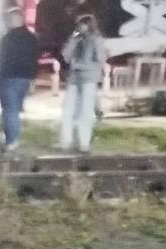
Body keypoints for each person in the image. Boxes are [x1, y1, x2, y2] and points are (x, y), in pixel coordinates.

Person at [58, 14, 107, 154]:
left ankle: (84, 143)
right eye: (78, 25)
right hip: (74, 79)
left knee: (85, 112)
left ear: (89, 25)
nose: (79, 27)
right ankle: (65, 141)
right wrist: (72, 40)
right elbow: (66, 56)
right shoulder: (77, 39)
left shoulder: (96, 40)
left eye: (82, 24)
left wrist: (82, 65)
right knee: (68, 110)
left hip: (88, 79)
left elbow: (100, 59)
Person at [0, 7, 39, 152]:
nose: (7, 22)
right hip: (25, 78)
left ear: (13, 20)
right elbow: (35, 59)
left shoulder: (6, 39)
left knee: (9, 110)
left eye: (9, 20)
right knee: (13, 109)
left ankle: (12, 140)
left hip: (9, 78)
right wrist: (32, 78)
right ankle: (6, 134)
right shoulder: (31, 38)